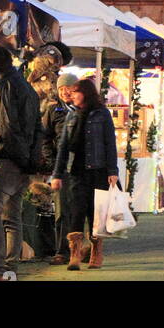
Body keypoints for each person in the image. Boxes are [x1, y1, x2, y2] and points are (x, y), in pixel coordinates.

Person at [0, 45, 40, 280]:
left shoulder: (3, 86)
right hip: (23, 160)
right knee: (12, 215)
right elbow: (37, 127)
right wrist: (30, 159)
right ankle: (10, 267)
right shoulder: (25, 86)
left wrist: (18, 156)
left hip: (8, 158)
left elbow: (7, 126)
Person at [49, 75, 119, 271]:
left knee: (96, 213)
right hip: (76, 172)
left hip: (99, 171)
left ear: (85, 94)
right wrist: (57, 174)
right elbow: (63, 147)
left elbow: (109, 144)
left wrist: (113, 171)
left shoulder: (102, 114)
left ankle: (96, 252)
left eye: (76, 91)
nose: (72, 94)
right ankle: (75, 254)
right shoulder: (71, 116)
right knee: (76, 212)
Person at [42, 72, 78, 264]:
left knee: (80, 208)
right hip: (61, 167)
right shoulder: (53, 110)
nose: (65, 92)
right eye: (61, 88)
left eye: (68, 88)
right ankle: (61, 251)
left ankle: (79, 248)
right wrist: (51, 163)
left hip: (81, 167)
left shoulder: (83, 109)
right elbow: (45, 138)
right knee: (62, 210)